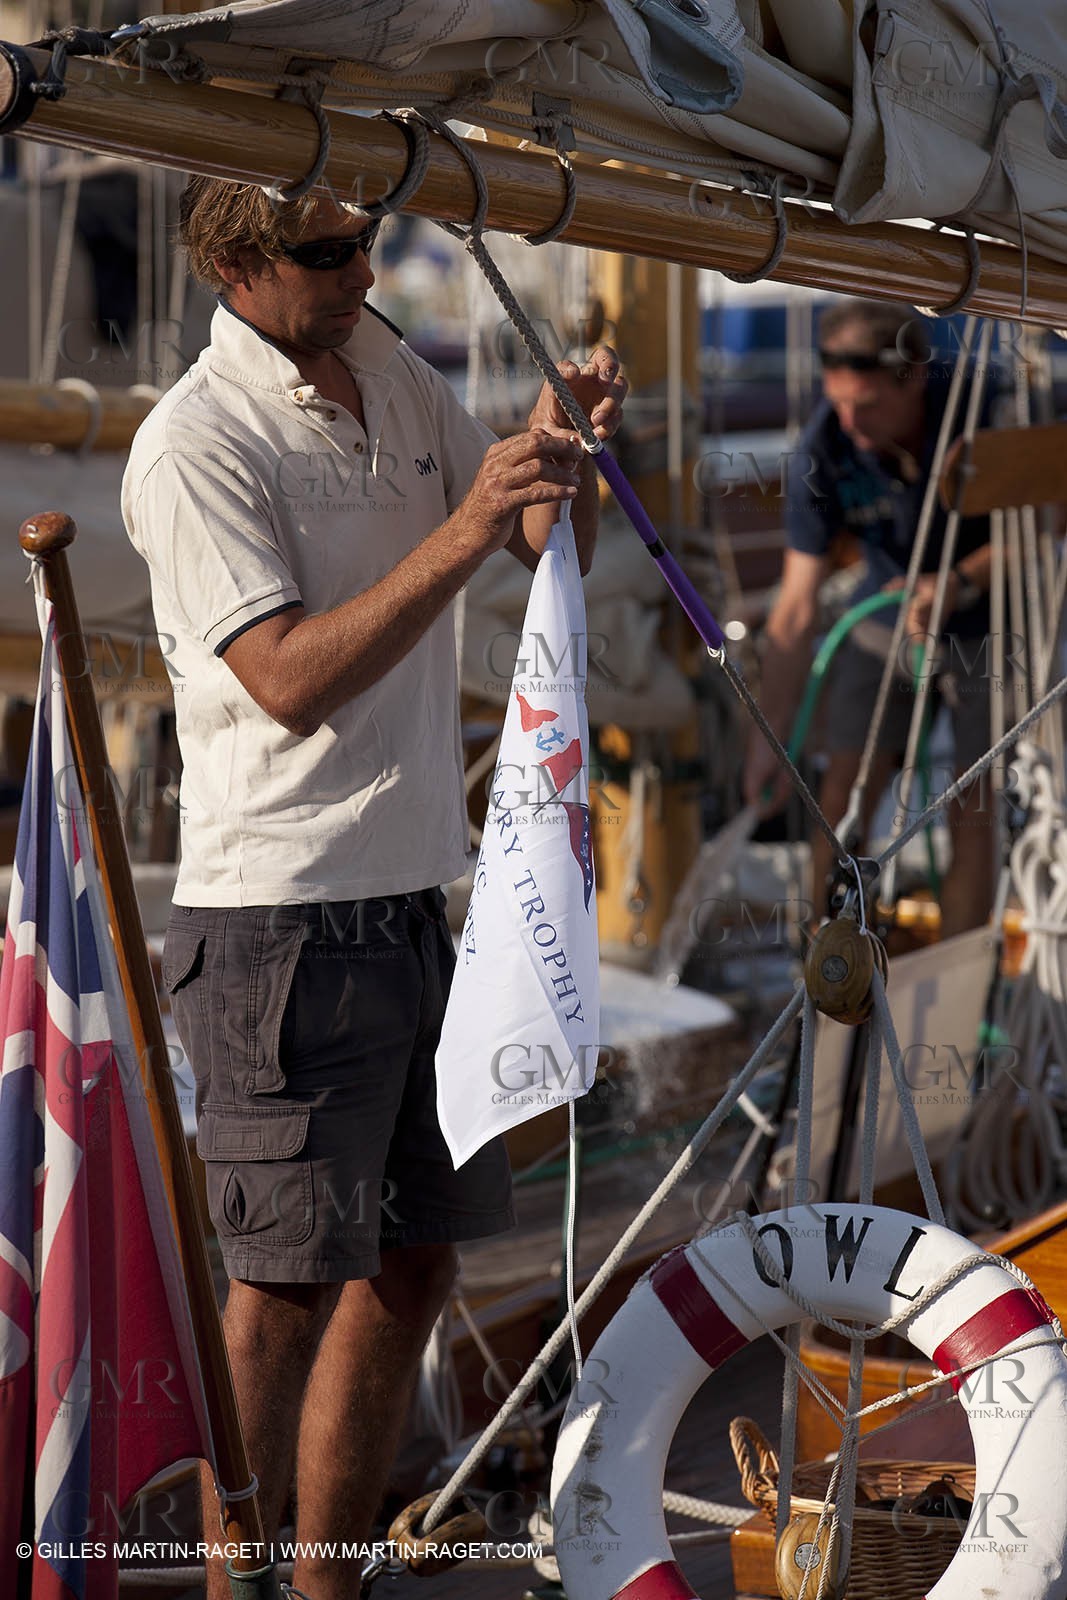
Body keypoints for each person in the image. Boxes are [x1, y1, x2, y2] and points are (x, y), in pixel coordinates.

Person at [121, 177, 626, 1600]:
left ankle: (328, 1582)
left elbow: (538, 547)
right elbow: (279, 680)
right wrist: (470, 525)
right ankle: (240, 1589)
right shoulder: (189, 445)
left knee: (413, 1267)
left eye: (370, 243)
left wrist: (547, 461)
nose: (363, 269)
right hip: (276, 923)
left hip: (415, 905)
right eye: (331, 250)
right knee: (277, 1293)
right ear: (233, 262)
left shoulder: (393, 372)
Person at [743, 299, 994, 936]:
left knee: (975, 807)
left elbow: (1041, 530)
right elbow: (797, 608)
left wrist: (958, 584)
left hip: (990, 621)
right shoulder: (824, 447)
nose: (849, 422)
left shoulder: (981, 410)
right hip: (885, 613)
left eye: (868, 405)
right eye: (840, 402)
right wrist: (766, 741)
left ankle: (958, 993)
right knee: (842, 800)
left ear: (913, 378)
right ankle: (826, 969)